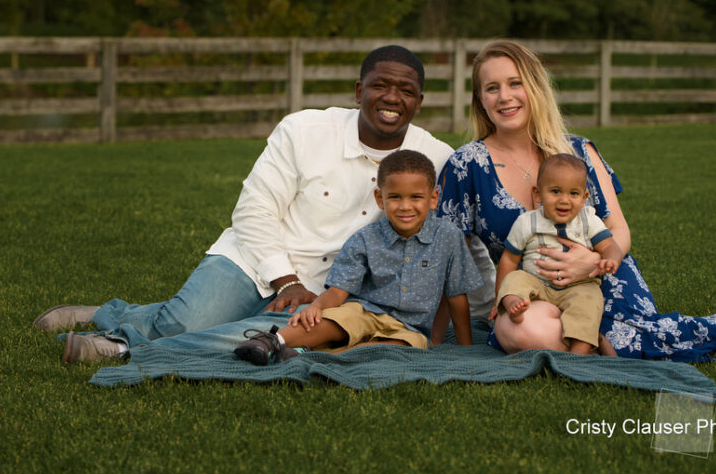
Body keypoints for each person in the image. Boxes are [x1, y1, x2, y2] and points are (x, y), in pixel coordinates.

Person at [42, 45, 472, 362]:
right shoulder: (304, 129)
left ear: (420, 100)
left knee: (262, 336)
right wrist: (284, 280)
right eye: (380, 85)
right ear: (359, 90)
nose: (392, 98)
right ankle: (110, 313)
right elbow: (253, 211)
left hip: (332, 290)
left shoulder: (435, 158)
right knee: (182, 323)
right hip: (256, 259)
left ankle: (118, 346)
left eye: (406, 90)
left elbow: (449, 241)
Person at [437, 39, 716, 361]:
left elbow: (618, 230)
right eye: (491, 88)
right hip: (532, 294)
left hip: (601, 279)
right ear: (480, 100)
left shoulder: (578, 151)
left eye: (515, 83)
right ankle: (594, 344)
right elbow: (447, 252)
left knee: (628, 336)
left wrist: (592, 262)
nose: (504, 97)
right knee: (525, 333)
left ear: (535, 88)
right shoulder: (467, 164)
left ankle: (711, 330)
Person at [233, 150, 481, 365]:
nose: (405, 206)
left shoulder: (449, 238)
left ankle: (311, 356)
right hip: (364, 310)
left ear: (433, 198)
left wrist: (464, 347)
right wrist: (317, 307)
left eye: (415, 197)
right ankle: (272, 341)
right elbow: (338, 292)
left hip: (409, 328)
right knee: (335, 319)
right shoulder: (365, 239)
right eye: (395, 197)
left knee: (404, 346)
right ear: (379, 198)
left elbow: (456, 296)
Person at [494, 153, 623, 354]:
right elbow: (509, 260)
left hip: (578, 285)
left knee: (589, 301)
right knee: (515, 278)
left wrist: (611, 259)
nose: (564, 200)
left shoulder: (588, 220)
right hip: (537, 284)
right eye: (555, 191)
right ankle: (513, 305)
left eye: (573, 193)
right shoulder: (527, 222)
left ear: (584, 197)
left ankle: (578, 352)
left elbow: (609, 246)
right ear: (538, 194)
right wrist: (499, 297)